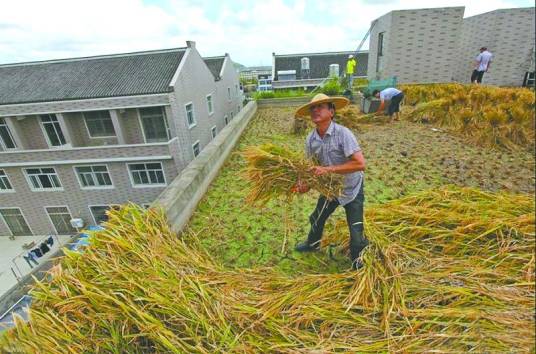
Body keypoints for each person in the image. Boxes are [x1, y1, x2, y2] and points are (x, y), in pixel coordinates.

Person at [292, 93, 368, 270]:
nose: (315, 111)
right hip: (330, 189)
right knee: (317, 218)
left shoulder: (343, 134)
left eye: (320, 107)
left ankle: (358, 262)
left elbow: (360, 164)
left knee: (356, 231)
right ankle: (313, 244)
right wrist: (305, 184)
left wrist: (328, 169)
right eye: (313, 108)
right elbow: (312, 169)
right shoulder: (311, 140)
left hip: (351, 187)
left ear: (331, 112)